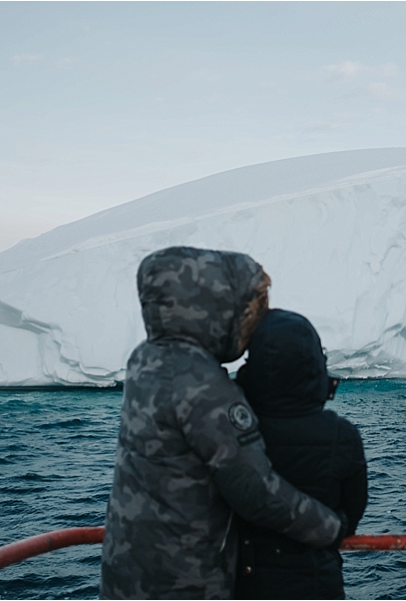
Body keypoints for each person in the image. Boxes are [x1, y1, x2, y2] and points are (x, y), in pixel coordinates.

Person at [100, 247, 342, 600]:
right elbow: (253, 490)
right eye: (251, 311)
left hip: (127, 568)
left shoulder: (147, 358)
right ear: (219, 309)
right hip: (183, 580)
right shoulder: (203, 386)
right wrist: (330, 527)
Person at [234, 309, 368, 600]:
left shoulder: (233, 432)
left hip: (244, 586)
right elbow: (352, 515)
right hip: (318, 585)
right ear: (314, 364)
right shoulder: (342, 435)